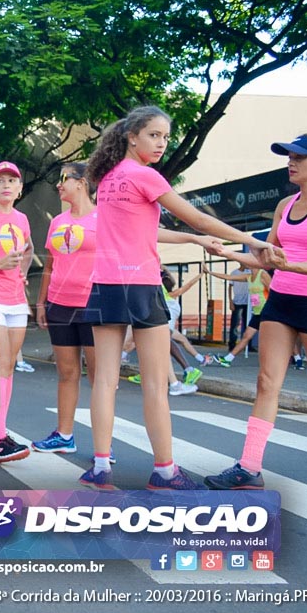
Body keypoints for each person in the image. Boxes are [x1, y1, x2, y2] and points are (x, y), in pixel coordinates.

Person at [80, 105, 270, 491]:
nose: (162, 143)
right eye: (154, 135)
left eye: (166, 137)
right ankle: (164, 471)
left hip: (105, 284)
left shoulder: (109, 179)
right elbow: (197, 217)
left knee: (104, 381)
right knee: (155, 384)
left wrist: (193, 240)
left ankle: (100, 468)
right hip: (142, 284)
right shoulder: (145, 175)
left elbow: (144, 230)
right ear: (132, 136)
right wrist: (252, 239)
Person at [205, 133, 307, 490]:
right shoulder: (284, 206)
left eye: (299, 157)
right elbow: (264, 257)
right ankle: (249, 467)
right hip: (281, 302)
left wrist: (286, 265)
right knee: (265, 383)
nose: (291, 162)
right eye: (288, 156)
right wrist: (226, 252)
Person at [31, 163, 97, 454]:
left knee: (100, 379)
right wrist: (42, 302)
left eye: (63, 179)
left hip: (95, 305)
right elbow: (50, 263)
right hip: (60, 305)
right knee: (67, 373)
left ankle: (103, 445)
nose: (59, 185)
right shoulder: (58, 221)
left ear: (81, 182)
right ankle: (64, 434)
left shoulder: (104, 217)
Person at [0, 161, 34, 463]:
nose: (5, 185)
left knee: (9, 366)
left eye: (11, 181)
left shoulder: (22, 218)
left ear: (19, 188)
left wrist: (23, 271)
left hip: (16, 299)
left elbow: (27, 248)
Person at [206, 264, 271, 366]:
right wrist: (210, 272)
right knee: (246, 336)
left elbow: (273, 292)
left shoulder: (263, 275)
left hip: (267, 312)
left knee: (272, 338)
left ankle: (295, 358)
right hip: (258, 312)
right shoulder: (248, 276)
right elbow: (229, 277)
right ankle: (228, 359)